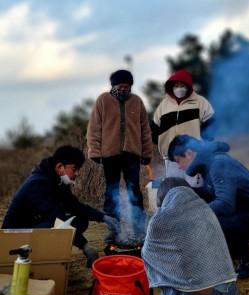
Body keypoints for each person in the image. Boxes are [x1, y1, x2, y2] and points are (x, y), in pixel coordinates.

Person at [167, 135, 249, 279]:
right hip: (247, 212)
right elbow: (210, 194)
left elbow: (225, 204)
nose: (179, 166)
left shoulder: (218, 163)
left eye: (178, 161)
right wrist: (183, 192)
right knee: (198, 201)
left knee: (207, 219)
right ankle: (234, 250)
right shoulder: (208, 163)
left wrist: (193, 213)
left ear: (189, 153)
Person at [1, 145, 119, 268]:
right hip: (15, 236)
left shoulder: (57, 180)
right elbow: (57, 219)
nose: (77, 173)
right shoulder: (38, 183)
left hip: (35, 224)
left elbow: (75, 206)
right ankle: (44, 258)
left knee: (80, 220)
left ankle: (49, 254)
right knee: (59, 223)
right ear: (59, 167)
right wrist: (85, 246)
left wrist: (104, 218)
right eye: (74, 169)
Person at [142, 177, 240, 295]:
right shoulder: (206, 210)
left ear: (162, 198)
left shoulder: (161, 219)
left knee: (166, 283)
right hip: (228, 288)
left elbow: (148, 254)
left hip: (192, 294)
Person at [87, 69, 152, 236]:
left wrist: (146, 153)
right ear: (113, 85)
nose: (123, 89)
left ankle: (139, 229)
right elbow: (94, 127)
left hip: (132, 154)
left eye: (127, 86)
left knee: (134, 190)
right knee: (111, 191)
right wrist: (94, 151)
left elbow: (145, 129)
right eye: (120, 85)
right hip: (110, 154)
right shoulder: (103, 100)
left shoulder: (137, 101)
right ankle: (113, 229)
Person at [151, 69, 215, 188]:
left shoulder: (200, 102)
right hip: (171, 159)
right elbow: (154, 128)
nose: (179, 88)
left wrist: (202, 146)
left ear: (188, 86)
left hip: (192, 157)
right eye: (176, 85)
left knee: (195, 190)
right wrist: (163, 145)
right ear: (171, 87)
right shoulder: (164, 105)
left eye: (182, 85)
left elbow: (211, 125)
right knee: (175, 191)